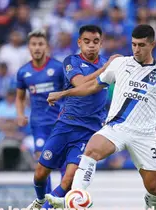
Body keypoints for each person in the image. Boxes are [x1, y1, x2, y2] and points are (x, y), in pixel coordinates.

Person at [46, 24, 156, 209]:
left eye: (141, 45)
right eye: (133, 44)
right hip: (116, 127)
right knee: (91, 149)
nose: (136, 49)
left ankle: (153, 207)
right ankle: (75, 199)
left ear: (152, 45)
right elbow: (93, 86)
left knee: (155, 187)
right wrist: (62, 94)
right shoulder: (120, 64)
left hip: (144, 135)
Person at [26, 25, 120, 209]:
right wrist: (106, 68)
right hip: (65, 126)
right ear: (79, 42)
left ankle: (46, 208)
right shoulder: (71, 61)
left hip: (89, 132)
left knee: (68, 179)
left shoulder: (108, 65)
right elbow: (82, 84)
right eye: (86, 41)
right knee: (39, 174)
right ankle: (39, 201)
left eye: (95, 42)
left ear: (101, 43)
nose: (91, 46)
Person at [15, 30, 65, 208]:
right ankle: (47, 204)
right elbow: (20, 97)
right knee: (43, 165)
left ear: (46, 46)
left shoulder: (58, 68)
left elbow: (68, 93)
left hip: (60, 123)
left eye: (40, 44)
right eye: (34, 44)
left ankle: (61, 201)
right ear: (29, 47)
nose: (37, 48)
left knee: (64, 164)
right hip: (39, 125)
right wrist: (20, 114)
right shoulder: (23, 72)